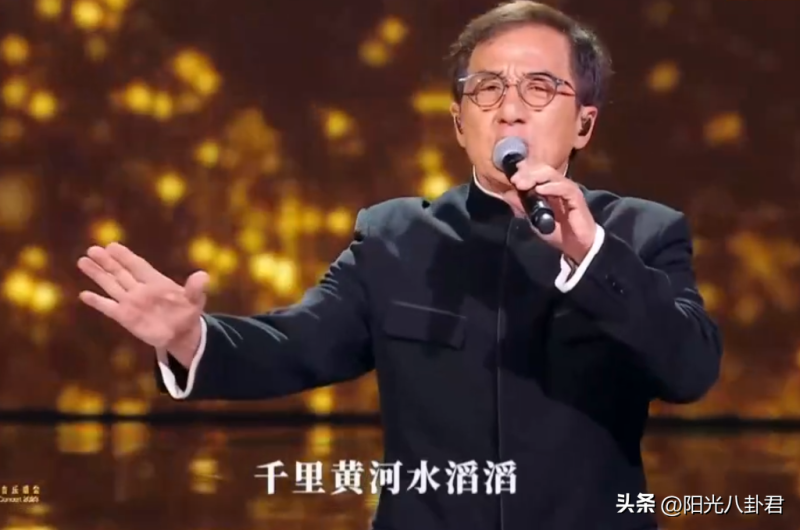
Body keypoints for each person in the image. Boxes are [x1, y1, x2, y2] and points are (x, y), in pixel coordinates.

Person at [76, 1, 722, 529]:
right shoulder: (395, 237)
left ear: (583, 124)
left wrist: (591, 256)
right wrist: (191, 338)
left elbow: (690, 370)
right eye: (487, 88)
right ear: (459, 122)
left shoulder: (641, 234)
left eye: (540, 87)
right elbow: (297, 344)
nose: (510, 107)